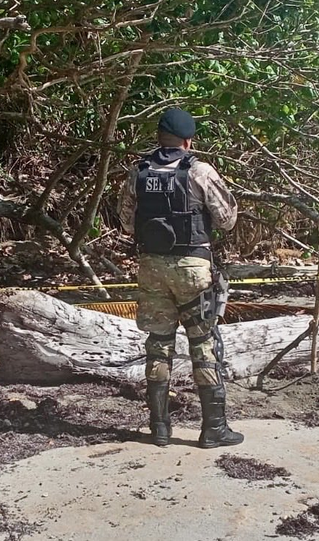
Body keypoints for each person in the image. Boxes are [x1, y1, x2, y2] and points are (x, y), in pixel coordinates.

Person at [118, 107, 244, 448]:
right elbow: (227, 219)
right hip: (193, 267)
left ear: (159, 137)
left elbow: (127, 221)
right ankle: (213, 429)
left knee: (158, 345)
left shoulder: (138, 172)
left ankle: (159, 428)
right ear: (188, 140)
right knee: (204, 344)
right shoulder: (199, 171)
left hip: (151, 267)